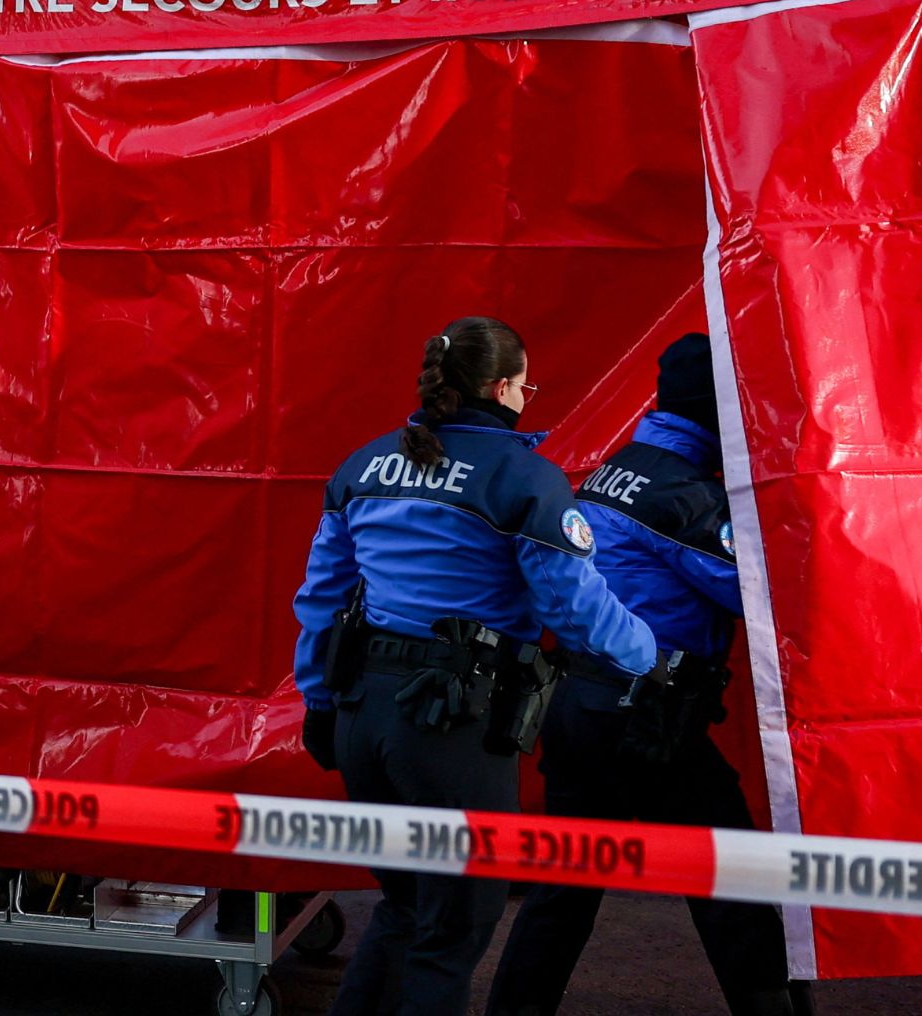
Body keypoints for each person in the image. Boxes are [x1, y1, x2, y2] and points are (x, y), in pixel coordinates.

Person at [293, 315, 659, 1016]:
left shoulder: (362, 466)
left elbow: (321, 598)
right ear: (501, 388)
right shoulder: (523, 478)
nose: (526, 396)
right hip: (450, 724)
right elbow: (572, 607)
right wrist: (648, 656)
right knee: (455, 924)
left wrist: (317, 699)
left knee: (405, 906)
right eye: (525, 386)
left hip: (361, 711)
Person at [484, 333, 814, 1016]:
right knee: (733, 877)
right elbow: (764, 594)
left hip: (584, 704)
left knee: (562, 895)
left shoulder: (623, 466)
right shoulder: (685, 496)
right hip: (648, 718)